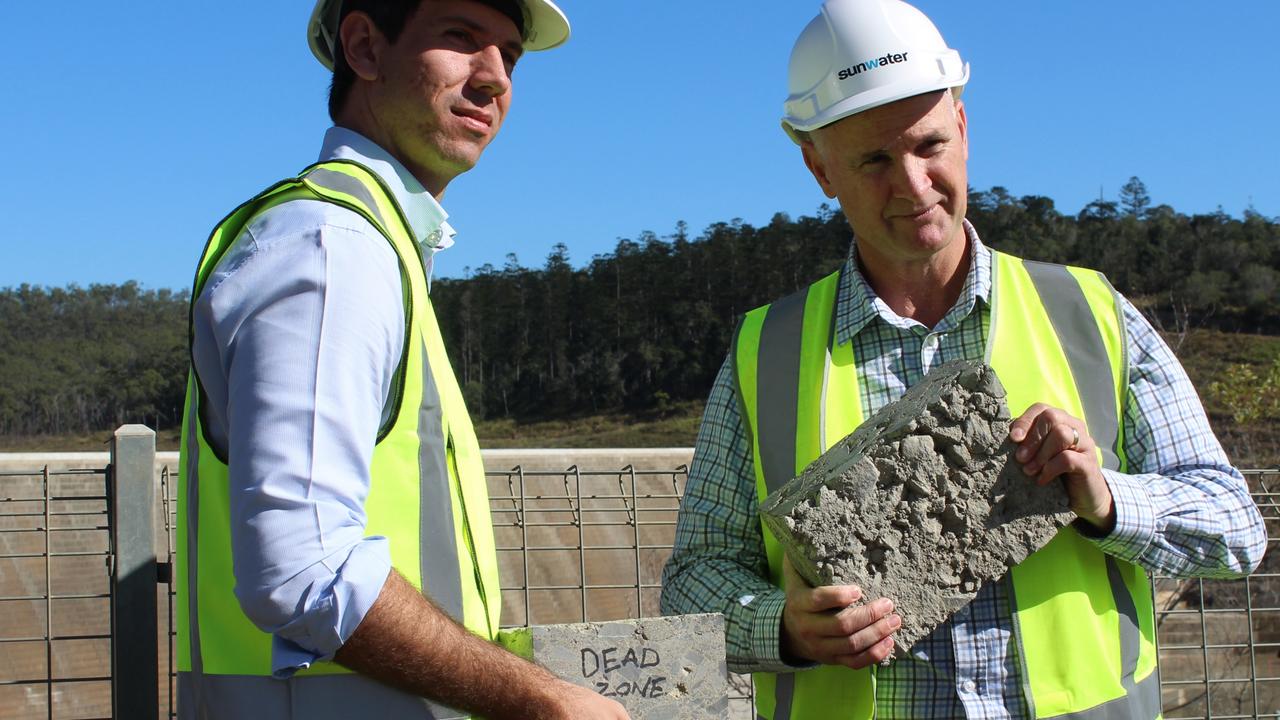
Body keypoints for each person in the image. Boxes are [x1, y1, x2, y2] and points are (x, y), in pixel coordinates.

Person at [659, 0, 1267, 718]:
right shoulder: (768, 351)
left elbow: (1234, 529)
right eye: (875, 160)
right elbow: (695, 581)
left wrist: (1106, 501)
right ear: (819, 166)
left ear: (965, 128)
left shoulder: (1089, 311)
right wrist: (781, 626)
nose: (913, 184)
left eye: (929, 146)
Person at [176, 1, 629, 718]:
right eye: (459, 37)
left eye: (509, 54)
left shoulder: (370, 244)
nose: (494, 78)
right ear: (364, 47)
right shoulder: (333, 247)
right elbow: (303, 570)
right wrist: (541, 699)